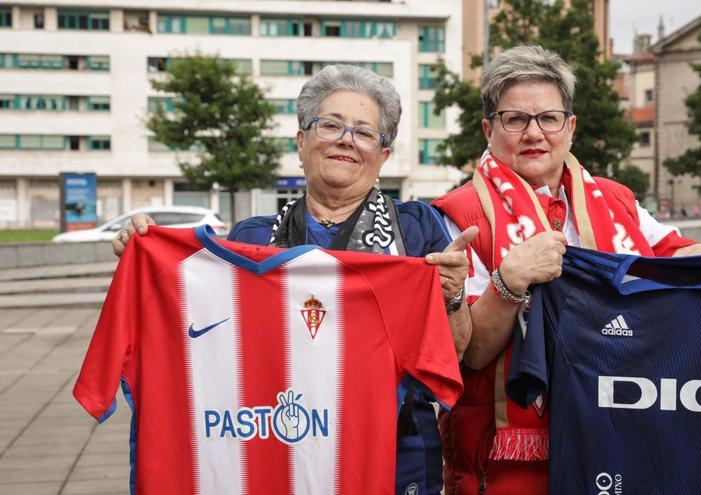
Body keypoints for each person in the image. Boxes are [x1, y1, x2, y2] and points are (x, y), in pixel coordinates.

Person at [431, 45, 701, 494]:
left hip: (612, 434)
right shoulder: (457, 216)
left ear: (570, 128)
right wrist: (510, 280)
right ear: (488, 129)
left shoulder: (612, 200)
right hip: (507, 455)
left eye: (548, 117)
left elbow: (677, 254)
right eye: (515, 119)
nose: (534, 133)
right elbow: (470, 354)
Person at [114, 64, 477, 495]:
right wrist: (152, 270)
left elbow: (455, 355)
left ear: (383, 155)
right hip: (277, 444)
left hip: (392, 454)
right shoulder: (254, 237)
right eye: (331, 125)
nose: (346, 139)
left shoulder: (416, 229)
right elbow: (204, 342)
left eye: (365, 132)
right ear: (301, 142)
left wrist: (451, 298)